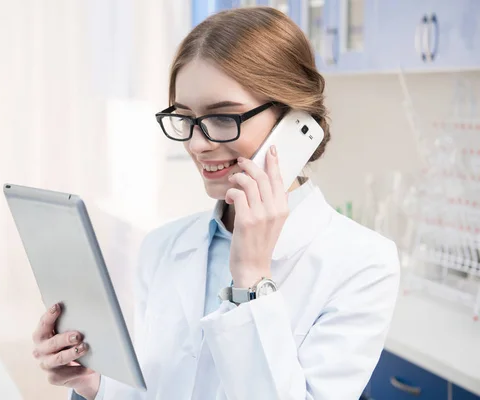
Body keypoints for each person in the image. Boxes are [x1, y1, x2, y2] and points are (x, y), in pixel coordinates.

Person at [31, 6, 400, 400]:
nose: (197, 143)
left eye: (224, 117)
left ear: (294, 120)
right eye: (185, 117)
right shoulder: (162, 246)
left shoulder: (363, 264)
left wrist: (253, 282)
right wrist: (96, 386)